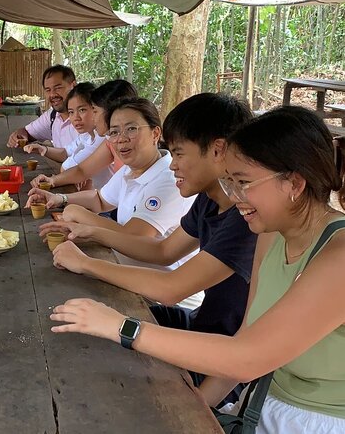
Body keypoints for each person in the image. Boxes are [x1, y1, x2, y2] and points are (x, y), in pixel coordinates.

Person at [50, 106, 345, 433]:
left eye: (243, 183)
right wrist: (193, 409)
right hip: (258, 403)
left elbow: (248, 358)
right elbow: (246, 339)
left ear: (294, 183)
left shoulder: (338, 255)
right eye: (230, 182)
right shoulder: (270, 234)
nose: (236, 196)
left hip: (317, 422)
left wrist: (123, 326)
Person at [48, 93, 256, 404]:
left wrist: (87, 264)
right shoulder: (210, 199)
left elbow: (172, 289)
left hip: (216, 354)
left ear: (218, 150)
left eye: (179, 154)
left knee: (105, 379)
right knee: (73, 325)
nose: (172, 165)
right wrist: (92, 232)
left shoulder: (247, 219)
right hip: (199, 325)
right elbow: (163, 251)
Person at [27, 98, 195, 272]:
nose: (121, 139)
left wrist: (79, 215)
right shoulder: (131, 169)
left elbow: (133, 236)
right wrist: (60, 198)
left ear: (155, 133)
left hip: (154, 293)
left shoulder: (170, 180)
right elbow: (99, 199)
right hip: (125, 270)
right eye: (114, 132)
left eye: (131, 129)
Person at [30, 79, 137, 189]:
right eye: (71, 112)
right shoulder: (108, 141)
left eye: (94, 111)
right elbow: (81, 170)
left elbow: (74, 169)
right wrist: (53, 181)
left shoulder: (108, 141)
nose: (93, 118)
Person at [23, 82, 109, 188]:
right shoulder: (86, 135)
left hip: (101, 200)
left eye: (82, 110)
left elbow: (72, 168)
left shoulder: (102, 140)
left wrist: (53, 180)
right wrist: (43, 149)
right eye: (71, 112)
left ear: (96, 109)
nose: (76, 117)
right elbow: (65, 152)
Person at [6, 64, 79, 149]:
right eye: (48, 90)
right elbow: (27, 132)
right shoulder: (53, 116)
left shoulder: (89, 117)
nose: (52, 94)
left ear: (73, 86)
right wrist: (19, 135)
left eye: (58, 88)